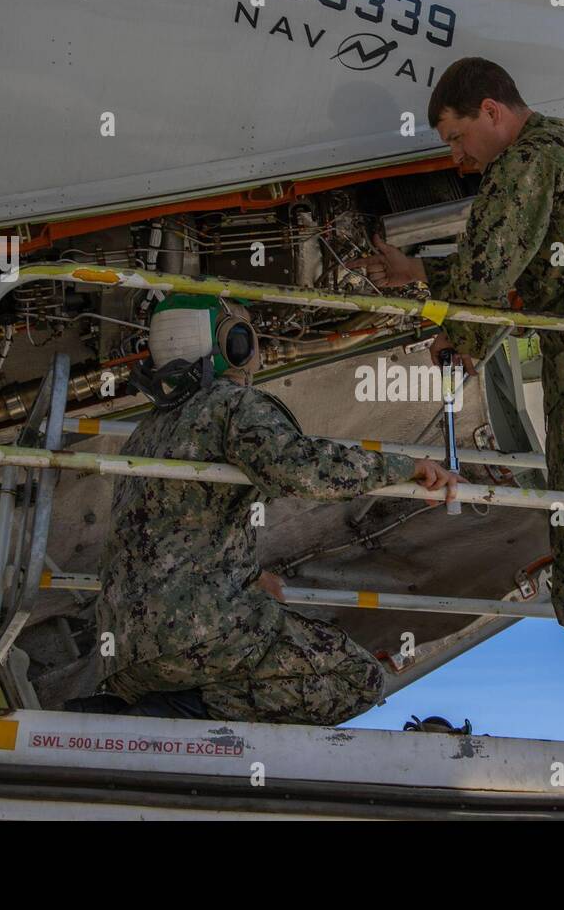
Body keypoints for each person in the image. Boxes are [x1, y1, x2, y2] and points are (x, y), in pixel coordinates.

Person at [351, 57, 564, 747]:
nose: (458, 159)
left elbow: (490, 273)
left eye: (457, 139)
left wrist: (458, 342)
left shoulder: (526, 161)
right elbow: (540, 265)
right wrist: (421, 271)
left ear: (492, 111)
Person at [75, 294, 461, 723]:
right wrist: (406, 469)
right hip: (194, 637)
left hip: (124, 656)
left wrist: (249, 575)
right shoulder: (230, 405)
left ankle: (165, 709)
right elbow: (301, 470)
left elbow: (177, 530)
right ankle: (179, 712)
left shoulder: (145, 432)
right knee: (358, 678)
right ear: (234, 344)